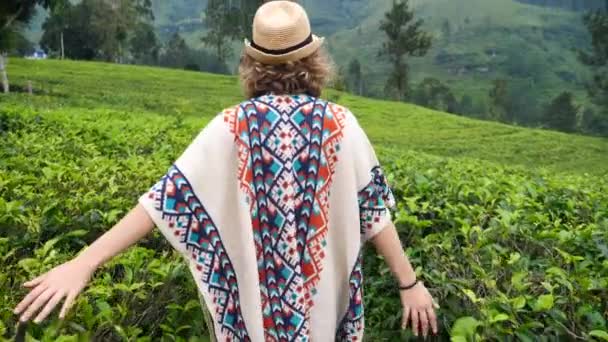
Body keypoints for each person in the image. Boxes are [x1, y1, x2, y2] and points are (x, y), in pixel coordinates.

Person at [13, 1, 439, 340]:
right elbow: (374, 215)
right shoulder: (342, 125)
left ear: (253, 65)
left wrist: (85, 262)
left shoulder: (229, 127)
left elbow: (163, 202)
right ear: (314, 59)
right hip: (327, 321)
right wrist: (409, 284)